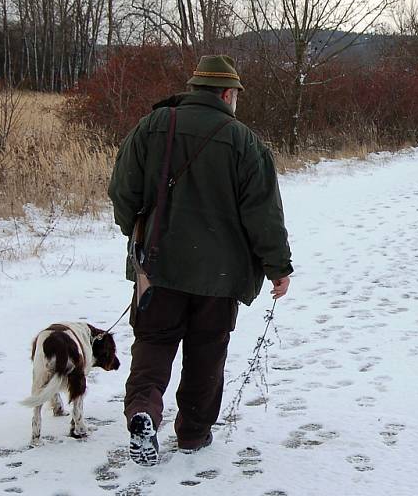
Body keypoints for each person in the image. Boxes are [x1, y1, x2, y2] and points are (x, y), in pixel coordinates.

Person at [108, 55, 293, 466]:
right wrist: (278, 266)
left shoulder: (151, 126)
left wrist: (137, 233)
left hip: (156, 266)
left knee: (153, 345)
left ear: (194, 88)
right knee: (207, 351)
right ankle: (193, 434)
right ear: (228, 94)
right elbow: (263, 214)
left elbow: (122, 191)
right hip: (220, 275)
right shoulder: (245, 142)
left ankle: (143, 411)